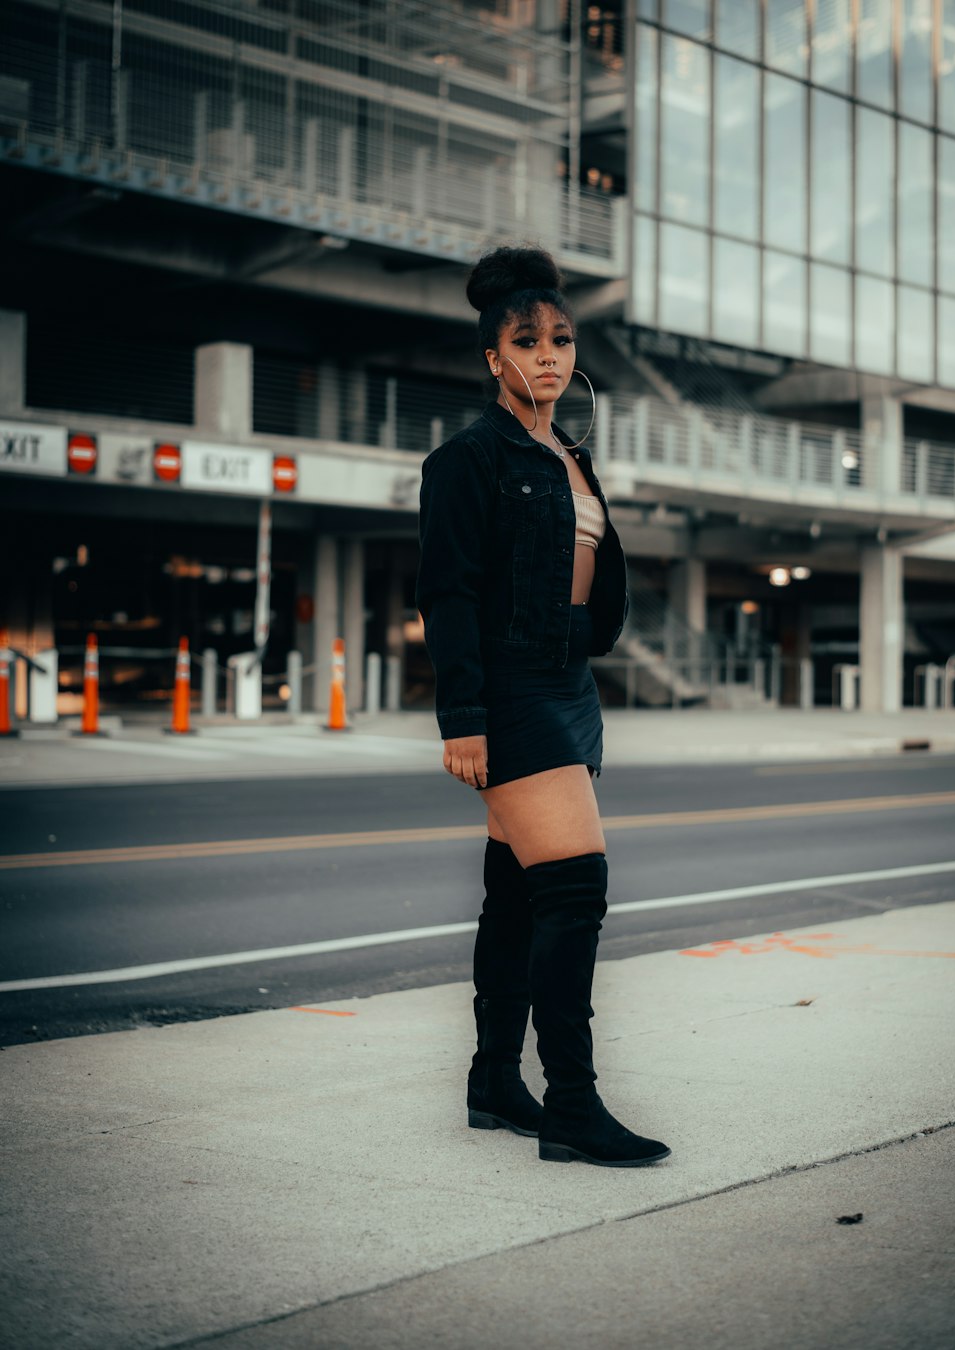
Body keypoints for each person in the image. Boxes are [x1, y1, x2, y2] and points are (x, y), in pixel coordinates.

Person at [416, 245, 670, 1168]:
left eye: (561, 339)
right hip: (513, 689)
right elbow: (447, 594)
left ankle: (493, 1082)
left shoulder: (570, 455)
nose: (550, 355)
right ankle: (572, 1103)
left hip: (569, 682)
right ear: (495, 358)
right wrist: (463, 717)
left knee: (518, 899)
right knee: (575, 891)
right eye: (528, 341)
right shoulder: (469, 460)